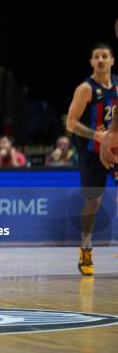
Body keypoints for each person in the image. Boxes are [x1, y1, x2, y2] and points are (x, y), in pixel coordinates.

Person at [66, 43, 117, 276]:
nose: (100, 60)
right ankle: (85, 248)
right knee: (93, 203)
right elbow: (71, 123)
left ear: (112, 61)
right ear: (91, 62)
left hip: (114, 150)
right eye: (96, 57)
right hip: (91, 152)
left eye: (104, 56)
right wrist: (98, 135)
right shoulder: (85, 89)